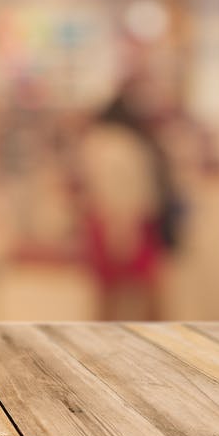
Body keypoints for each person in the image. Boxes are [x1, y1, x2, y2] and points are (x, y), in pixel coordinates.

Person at [73, 86, 184, 320]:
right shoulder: (122, 144)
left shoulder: (98, 142)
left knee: (111, 293)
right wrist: (122, 229)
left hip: (112, 221)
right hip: (128, 223)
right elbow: (121, 190)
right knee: (146, 291)